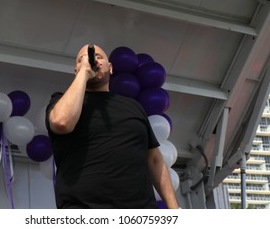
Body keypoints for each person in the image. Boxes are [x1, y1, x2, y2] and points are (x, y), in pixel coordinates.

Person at [45, 44, 179, 209]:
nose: (92, 60)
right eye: (82, 60)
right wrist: (84, 72)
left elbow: (154, 159)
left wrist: (175, 211)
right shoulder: (59, 102)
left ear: (110, 68)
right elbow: (61, 123)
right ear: (76, 70)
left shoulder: (133, 107)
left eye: (98, 57)